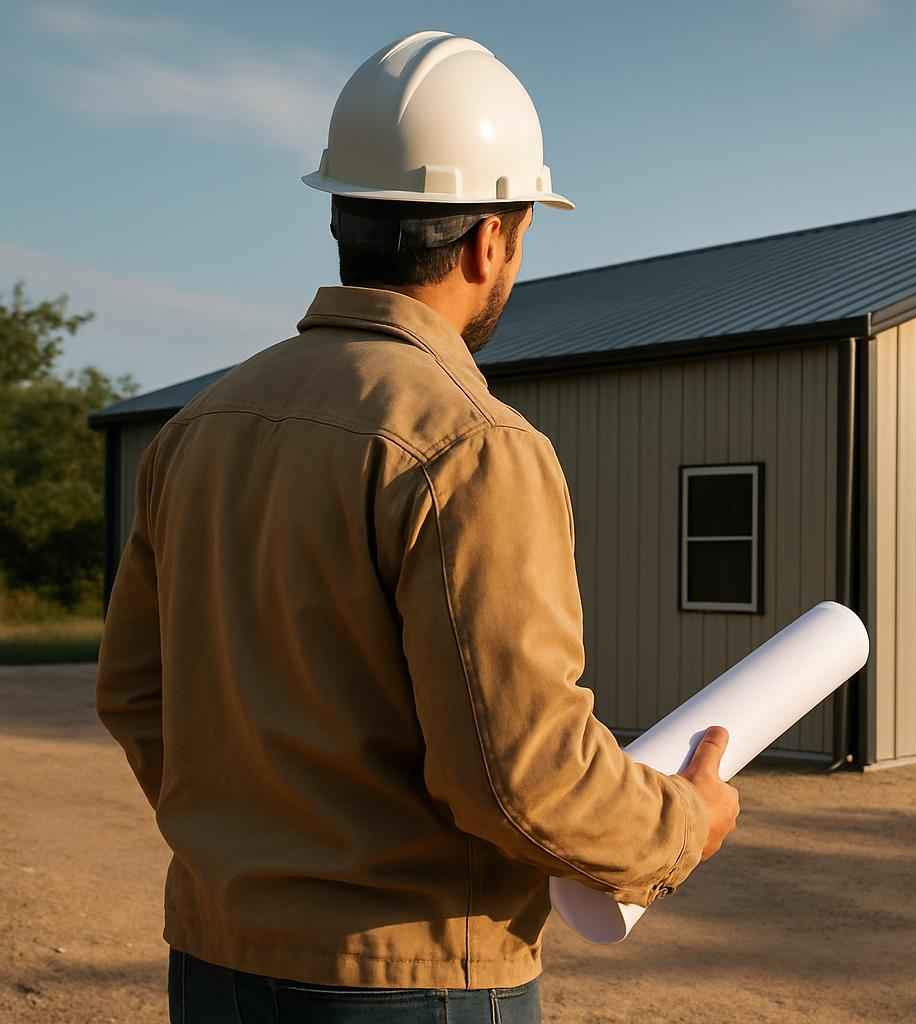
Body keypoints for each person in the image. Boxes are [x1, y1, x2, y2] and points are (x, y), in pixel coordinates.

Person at [95, 30, 739, 1024]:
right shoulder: (471, 444)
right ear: (494, 237)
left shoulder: (196, 431)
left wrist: (250, 852)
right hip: (413, 985)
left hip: (217, 961)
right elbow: (521, 774)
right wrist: (681, 823)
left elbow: (137, 692)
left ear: (345, 216)